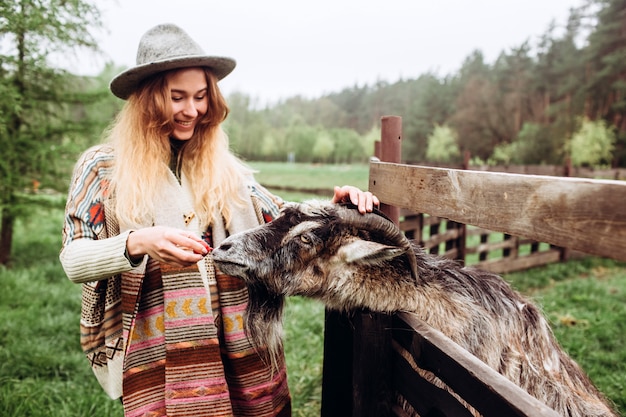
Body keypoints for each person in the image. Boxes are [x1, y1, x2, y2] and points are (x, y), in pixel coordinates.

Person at [60, 23, 379, 417]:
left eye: (200, 97)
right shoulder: (102, 168)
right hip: (157, 349)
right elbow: (73, 258)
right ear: (147, 99)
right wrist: (137, 242)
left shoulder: (223, 169)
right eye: (177, 97)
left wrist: (335, 208)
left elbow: (279, 216)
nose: (192, 110)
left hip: (241, 345)